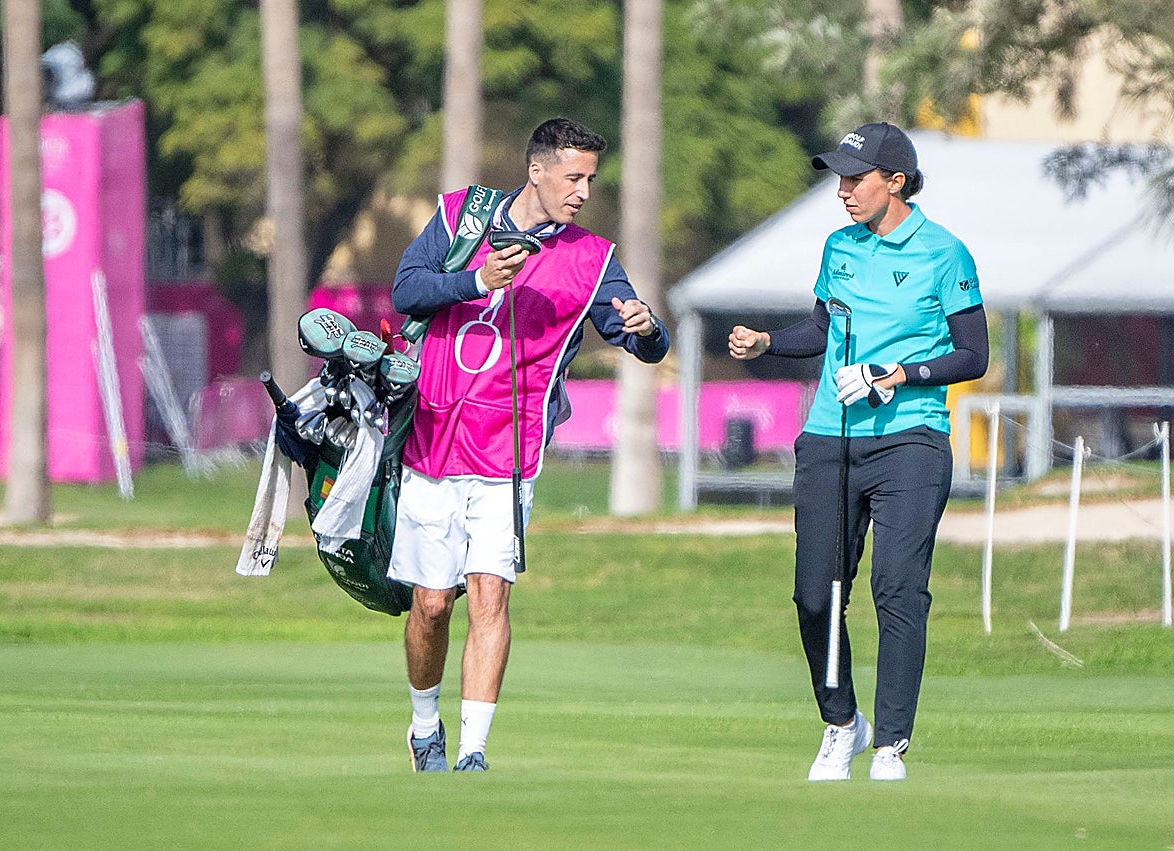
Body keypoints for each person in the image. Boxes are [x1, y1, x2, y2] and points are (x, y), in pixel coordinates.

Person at [388, 117, 670, 772]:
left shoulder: (594, 257)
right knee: (431, 605)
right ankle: (423, 723)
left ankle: (472, 751)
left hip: (510, 453)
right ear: (537, 170)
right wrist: (476, 281)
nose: (583, 192)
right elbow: (407, 288)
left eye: (591, 180)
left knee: (490, 594)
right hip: (431, 438)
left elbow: (643, 343)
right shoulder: (461, 216)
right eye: (574, 177)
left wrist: (645, 326)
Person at [728, 122, 988, 782]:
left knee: (897, 588)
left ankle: (890, 743)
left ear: (894, 181)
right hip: (829, 438)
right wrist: (767, 342)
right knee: (816, 595)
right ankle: (843, 721)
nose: (842, 190)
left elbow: (972, 354)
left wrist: (896, 373)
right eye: (840, 178)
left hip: (911, 443)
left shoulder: (944, 253)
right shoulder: (837, 246)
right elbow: (820, 328)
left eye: (855, 178)